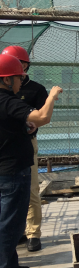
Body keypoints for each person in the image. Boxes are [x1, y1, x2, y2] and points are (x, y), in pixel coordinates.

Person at [0, 53, 61, 268]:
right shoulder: (8, 101)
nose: (21, 81)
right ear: (7, 80)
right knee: (11, 222)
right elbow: (42, 117)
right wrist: (52, 97)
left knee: (8, 220)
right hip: (12, 170)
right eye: (18, 77)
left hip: (5, 167)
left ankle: (9, 263)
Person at [3, 46, 49, 253]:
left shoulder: (35, 89)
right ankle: (16, 232)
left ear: (25, 64)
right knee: (10, 192)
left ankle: (33, 233)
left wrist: (33, 124)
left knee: (30, 190)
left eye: (17, 62)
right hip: (5, 146)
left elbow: (43, 117)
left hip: (25, 144)